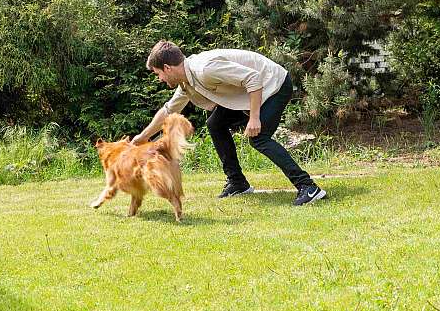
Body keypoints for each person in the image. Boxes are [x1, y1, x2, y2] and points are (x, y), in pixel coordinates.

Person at [132, 40, 326, 206]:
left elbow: (253, 78)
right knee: (215, 123)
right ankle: (238, 183)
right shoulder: (187, 82)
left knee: (259, 138)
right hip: (255, 90)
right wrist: (144, 137)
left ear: (168, 67)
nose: (160, 79)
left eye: (159, 73)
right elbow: (168, 110)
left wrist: (254, 117)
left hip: (273, 85)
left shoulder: (204, 69)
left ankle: (308, 187)